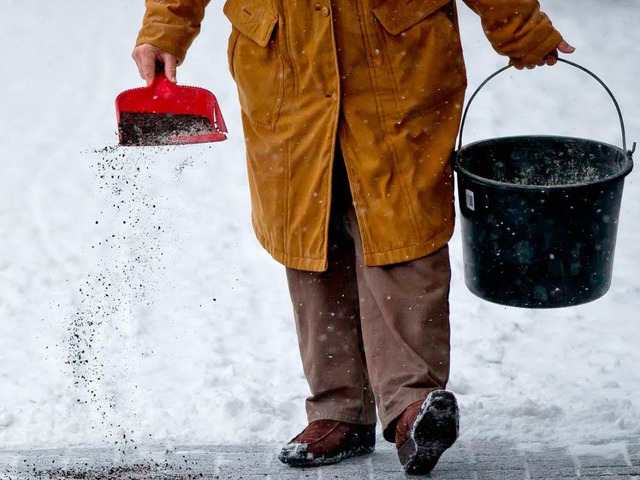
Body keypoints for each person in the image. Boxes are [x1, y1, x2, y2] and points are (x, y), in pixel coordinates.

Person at [132, 0, 574, 474]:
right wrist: (165, 28)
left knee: (403, 225)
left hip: (397, 54)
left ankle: (412, 404)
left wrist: (519, 24)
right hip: (286, 61)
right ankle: (339, 409)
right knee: (310, 228)